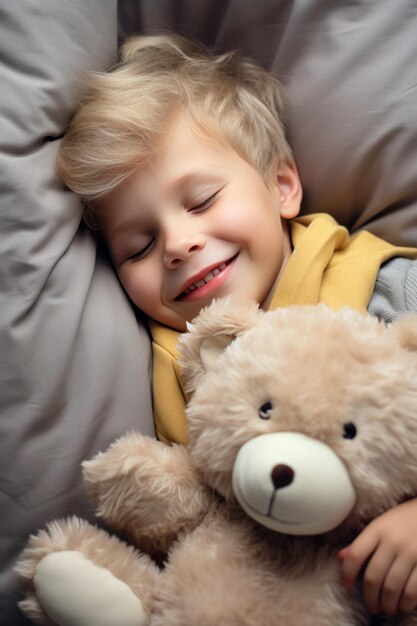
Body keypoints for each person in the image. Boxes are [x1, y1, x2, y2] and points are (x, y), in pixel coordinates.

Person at [56, 34, 417, 618]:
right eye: (139, 245)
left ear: (281, 186)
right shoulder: (177, 374)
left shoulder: (384, 286)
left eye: (200, 201)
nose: (176, 244)